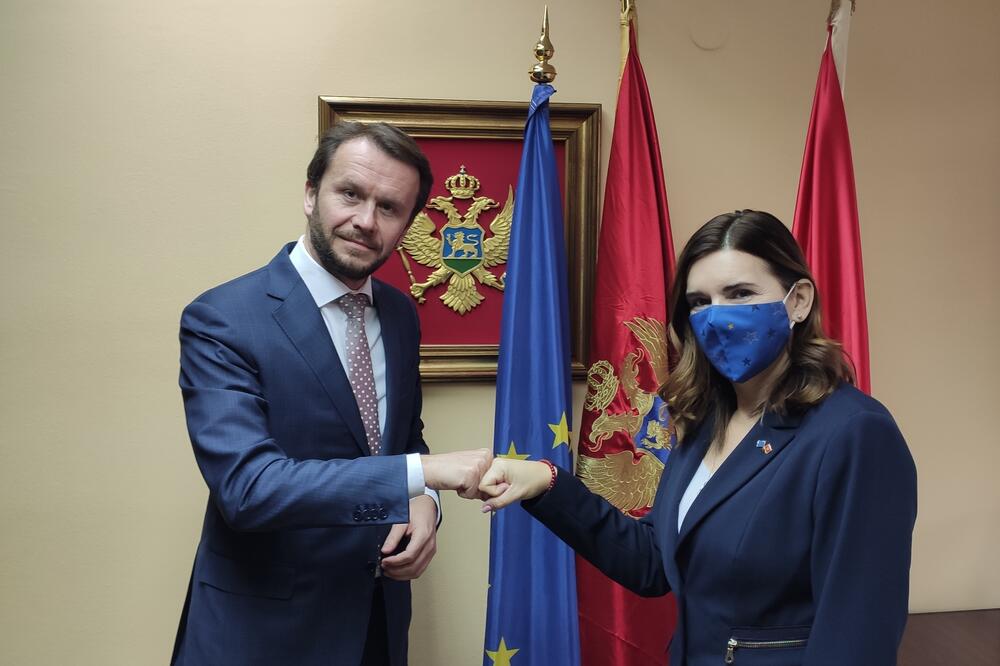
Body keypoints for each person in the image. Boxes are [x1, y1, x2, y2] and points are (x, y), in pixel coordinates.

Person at [479, 210, 918, 666]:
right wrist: (546, 483)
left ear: (799, 301)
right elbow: (655, 562)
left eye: (740, 293)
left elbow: (856, 638)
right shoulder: (707, 420)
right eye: (699, 302)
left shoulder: (855, 433)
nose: (717, 317)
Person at [172, 121, 491, 666]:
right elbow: (249, 489)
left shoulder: (400, 315)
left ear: (407, 225)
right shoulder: (222, 319)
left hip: (376, 624)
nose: (366, 220)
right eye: (350, 194)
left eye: (389, 208)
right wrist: (425, 474)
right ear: (310, 193)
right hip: (263, 635)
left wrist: (425, 502)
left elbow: (401, 438)